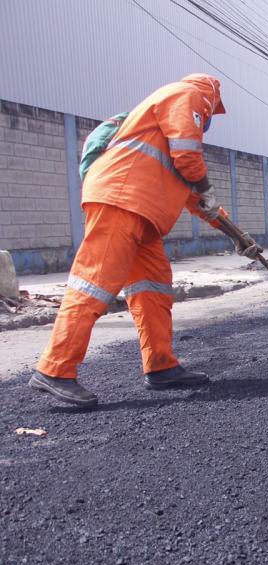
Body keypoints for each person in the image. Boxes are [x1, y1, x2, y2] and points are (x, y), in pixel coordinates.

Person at [29, 74, 255, 407]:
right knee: (93, 285)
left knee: (154, 288)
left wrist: (237, 236)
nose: (207, 121)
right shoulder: (189, 94)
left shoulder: (163, 142)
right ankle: (55, 369)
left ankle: (160, 365)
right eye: (210, 115)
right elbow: (190, 161)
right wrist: (206, 184)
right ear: (210, 102)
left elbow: (197, 200)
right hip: (121, 199)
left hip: (143, 214)